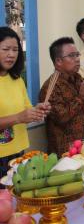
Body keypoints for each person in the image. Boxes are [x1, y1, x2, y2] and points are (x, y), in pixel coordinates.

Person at [0, 27, 50, 178]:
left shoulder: (17, 80)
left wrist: (37, 111)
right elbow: (19, 116)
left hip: (19, 151)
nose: (11, 54)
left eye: (15, 50)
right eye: (6, 49)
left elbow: (26, 110)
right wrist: (18, 117)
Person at [39, 37, 84, 156]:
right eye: (72, 56)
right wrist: (82, 97)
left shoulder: (78, 79)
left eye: (77, 55)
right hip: (66, 152)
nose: (77, 59)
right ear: (58, 61)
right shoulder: (50, 87)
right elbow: (61, 117)